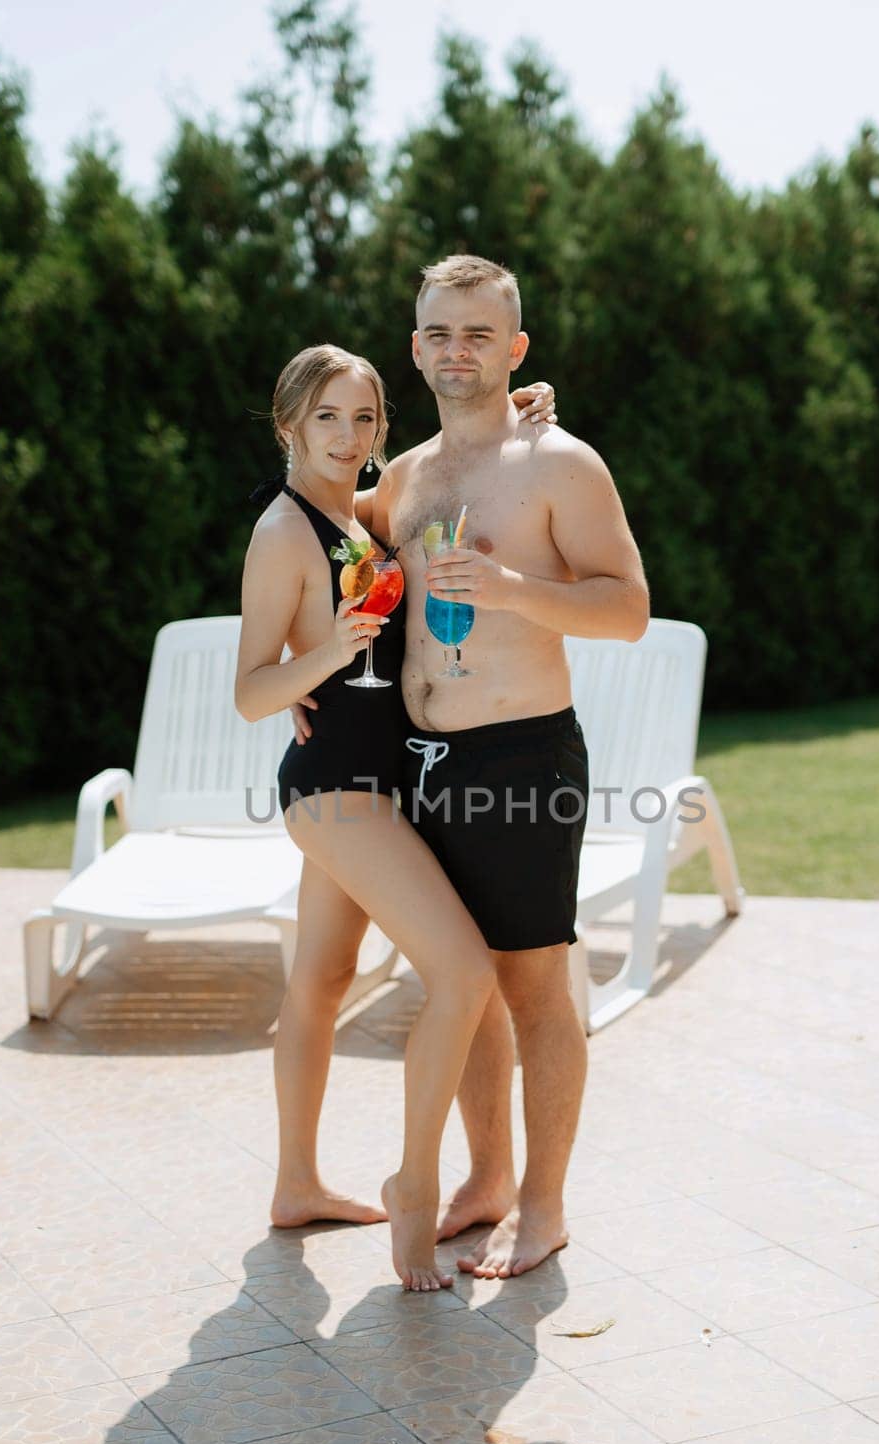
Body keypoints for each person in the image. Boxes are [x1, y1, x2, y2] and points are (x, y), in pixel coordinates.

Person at [234, 344, 555, 1291]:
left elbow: (434, 474)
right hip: (336, 790)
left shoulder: (353, 511)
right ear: (288, 422)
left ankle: (297, 1184)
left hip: (385, 781)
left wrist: (512, 410)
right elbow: (253, 693)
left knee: (321, 984)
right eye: (327, 417)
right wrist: (323, 654)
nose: (348, 435)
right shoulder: (282, 532)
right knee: (462, 972)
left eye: (364, 417)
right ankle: (414, 1188)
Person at [370, 255, 649, 1279]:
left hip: (522, 754)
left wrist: (508, 586)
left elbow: (628, 607)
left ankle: (544, 1205)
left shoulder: (560, 464)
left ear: (515, 347)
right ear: (415, 347)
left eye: (481, 334)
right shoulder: (400, 479)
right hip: (418, 760)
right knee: (461, 983)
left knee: (535, 992)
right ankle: (485, 1181)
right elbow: (328, 530)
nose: (459, 351)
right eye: (441, 333)